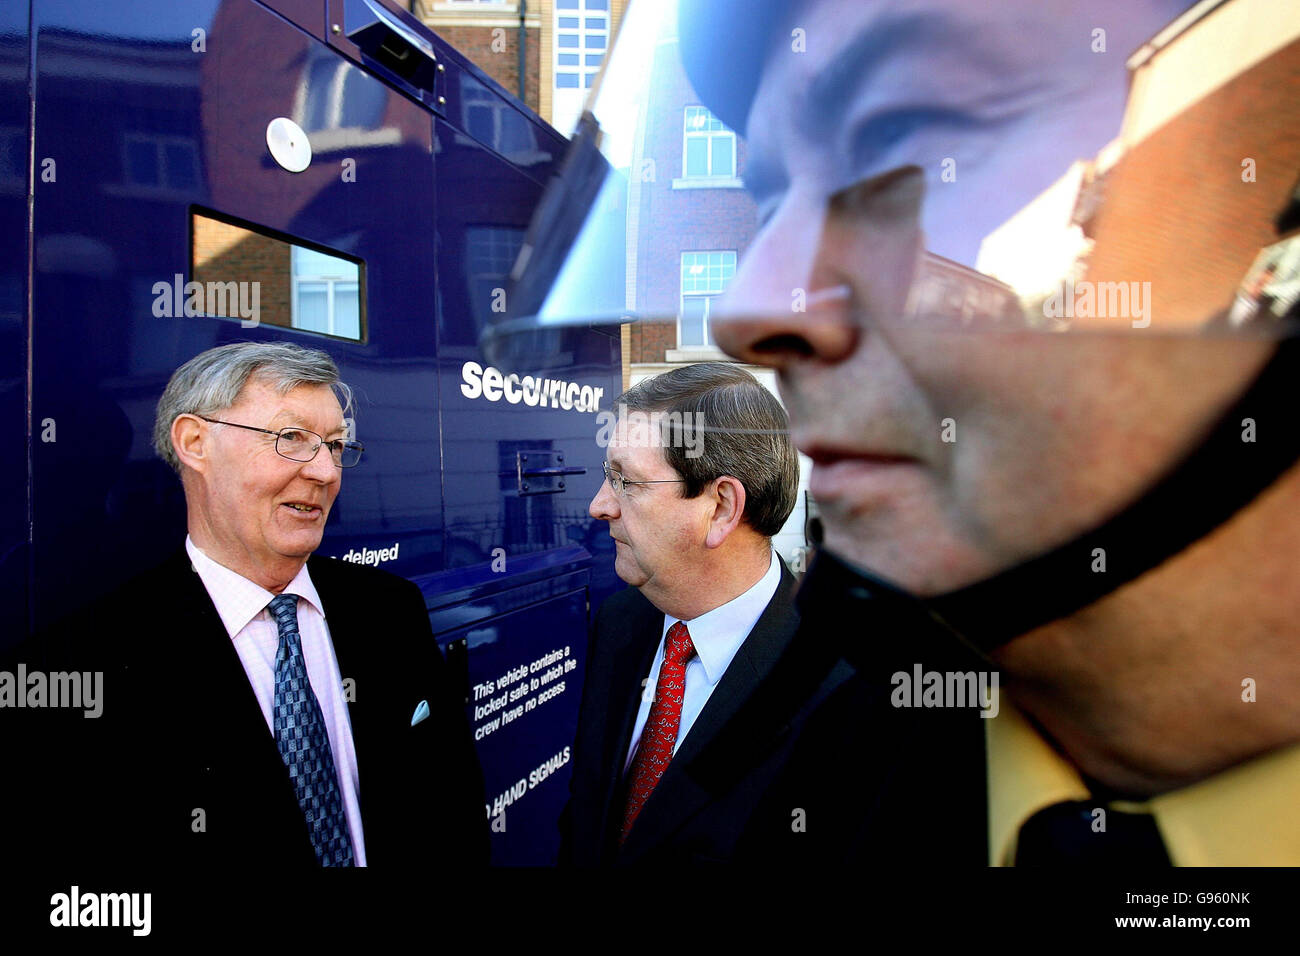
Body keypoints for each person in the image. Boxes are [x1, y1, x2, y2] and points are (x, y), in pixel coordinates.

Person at [502, 0, 1300, 866]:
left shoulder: (877, 712)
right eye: (770, 199)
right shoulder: (916, 709)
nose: (752, 309)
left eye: (903, 137)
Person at [38, 341, 487, 870]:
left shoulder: (390, 609)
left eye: (337, 445)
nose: (326, 472)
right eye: (292, 438)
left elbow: (455, 810)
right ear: (195, 442)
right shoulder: (84, 662)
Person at [558, 363, 807, 864]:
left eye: (626, 482)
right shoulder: (620, 622)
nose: (599, 506)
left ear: (719, 508)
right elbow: (585, 822)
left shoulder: (840, 684)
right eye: (609, 477)